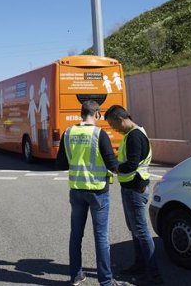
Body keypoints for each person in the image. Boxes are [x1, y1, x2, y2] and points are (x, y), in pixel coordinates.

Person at [56, 100, 129, 286]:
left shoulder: (68, 132)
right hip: (98, 192)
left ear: (82, 113)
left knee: (76, 235)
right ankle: (105, 281)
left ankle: (75, 276)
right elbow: (113, 166)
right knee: (101, 237)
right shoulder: (99, 134)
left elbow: (61, 164)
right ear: (96, 114)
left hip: (77, 191)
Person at [104, 105, 162, 285]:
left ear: (120, 119)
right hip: (133, 187)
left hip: (135, 189)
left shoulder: (134, 136)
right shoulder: (134, 134)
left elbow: (131, 164)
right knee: (135, 229)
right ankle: (140, 265)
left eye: (113, 125)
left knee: (141, 231)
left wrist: (114, 167)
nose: (113, 129)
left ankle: (154, 274)